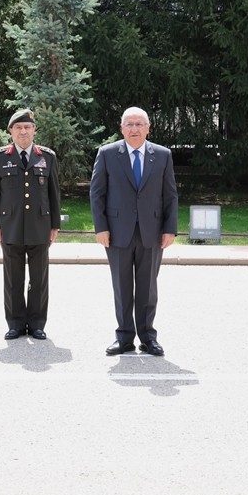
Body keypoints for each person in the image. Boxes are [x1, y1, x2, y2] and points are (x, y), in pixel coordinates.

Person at [90, 107, 179, 356]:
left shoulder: (162, 155)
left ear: (148, 128)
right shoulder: (107, 154)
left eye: (139, 124)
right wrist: (101, 228)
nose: (134, 129)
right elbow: (97, 194)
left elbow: (170, 195)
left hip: (152, 232)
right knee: (122, 287)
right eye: (129, 124)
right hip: (117, 232)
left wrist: (170, 229)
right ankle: (124, 337)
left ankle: (148, 337)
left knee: (148, 288)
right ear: (121, 128)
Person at [0, 109, 62, 340]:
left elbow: (54, 193)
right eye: (18, 127)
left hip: (40, 226)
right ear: (10, 131)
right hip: (10, 226)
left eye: (27, 127)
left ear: (34, 130)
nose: (23, 131)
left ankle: (37, 324)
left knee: (39, 279)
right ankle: (16, 324)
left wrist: (55, 224)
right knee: (13, 279)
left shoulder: (47, 157)